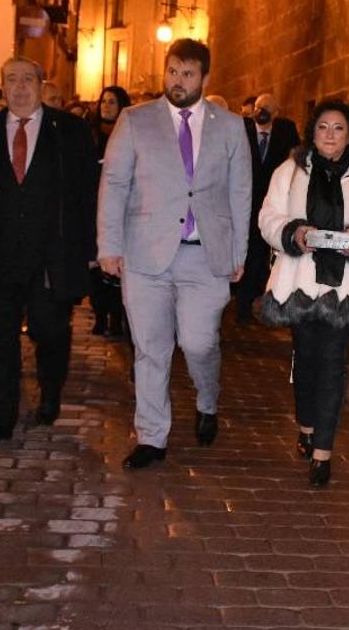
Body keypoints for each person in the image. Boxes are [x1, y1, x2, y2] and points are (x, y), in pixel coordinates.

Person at [98, 38, 253, 468]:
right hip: (145, 254)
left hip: (205, 255)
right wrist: (109, 245)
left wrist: (239, 252)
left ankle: (207, 399)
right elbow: (113, 184)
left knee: (199, 342)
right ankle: (152, 436)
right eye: (172, 71)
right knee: (150, 348)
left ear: (204, 77)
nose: (177, 81)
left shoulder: (230, 126)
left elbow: (240, 192)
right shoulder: (135, 120)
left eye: (187, 74)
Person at [0, 57, 99, 450]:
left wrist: (91, 248)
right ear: (2, 87)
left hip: (51, 256)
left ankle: (50, 390)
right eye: (11, 80)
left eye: (27, 79)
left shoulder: (69, 131)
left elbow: (87, 193)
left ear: (40, 83)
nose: (19, 87)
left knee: (50, 331)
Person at [257, 101, 349, 486]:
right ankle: (306, 426)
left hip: (347, 284)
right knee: (305, 358)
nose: (331, 135)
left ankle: (323, 452)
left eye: (339, 128)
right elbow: (268, 216)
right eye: (323, 127)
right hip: (300, 280)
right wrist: (294, 232)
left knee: (333, 363)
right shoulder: (290, 171)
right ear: (312, 131)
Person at [235, 92, 299, 324]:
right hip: (244, 204)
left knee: (263, 258)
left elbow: (294, 159)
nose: (260, 112)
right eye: (259, 107)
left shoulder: (285, 132)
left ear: (276, 113)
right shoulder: (241, 129)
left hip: (271, 204)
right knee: (246, 254)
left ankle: (258, 305)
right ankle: (242, 306)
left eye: (267, 109)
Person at [90, 85, 132, 339]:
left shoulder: (127, 132)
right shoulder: (91, 134)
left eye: (112, 102)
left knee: (116, 268)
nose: (106, 106)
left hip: (120, 206)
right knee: (96, 268)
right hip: (95, 204)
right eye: (103, 101)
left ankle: (116, 317)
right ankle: (99, 314)